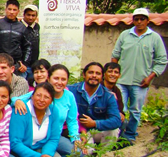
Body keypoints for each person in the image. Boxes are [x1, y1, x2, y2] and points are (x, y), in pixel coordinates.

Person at [111, 8, 167, 143]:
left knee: (135, 111)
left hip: (141, 82)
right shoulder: (125, 35)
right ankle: (117, 135)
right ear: (133, 20)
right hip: (122, 80)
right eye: (136, 19)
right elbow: (115, 56)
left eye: (142, 19)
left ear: (148, 21)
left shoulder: (154, 38)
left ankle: (130, 136)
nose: (139, 21)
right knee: (120, 109)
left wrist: (150, 77)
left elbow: (162, 60)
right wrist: (114, 74)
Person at [13, 65, 81, 157]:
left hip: (56, 134)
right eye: (56, 78)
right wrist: (17, 101)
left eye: (63, 79)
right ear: (48, 78)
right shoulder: (41, 92)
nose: (59, 82)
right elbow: (16, 99)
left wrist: (76, 138)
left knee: (79, 153)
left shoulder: (69, 96)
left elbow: (72, 121)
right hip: (37, 136)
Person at [9, 82, 64, 157]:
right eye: (38, 95)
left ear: (51, 101)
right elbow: (15, 142)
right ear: (32, 96)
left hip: (39, 147)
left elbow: (53, 138)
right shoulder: (21, 110)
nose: (41, 100)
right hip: (21, 150)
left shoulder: (54, 111)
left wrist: (46, 154)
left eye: (46, 97)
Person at [68, 62, 122, 145]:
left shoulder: (108, 95)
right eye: (91, 72)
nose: (94, 76)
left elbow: (116, 120)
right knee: (87, 153)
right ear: (84, 75)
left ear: (102, 77)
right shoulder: (71, 90)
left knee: (114, 131)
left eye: (98, 73)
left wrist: (94, 123)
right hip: (78, 130)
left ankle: (104, 154)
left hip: (97, 130)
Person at [0, 0, 31, 77]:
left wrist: (24, 63)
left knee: (16, 87)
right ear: (5, 10)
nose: (12, 12)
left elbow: (27, 47)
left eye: (14, 10)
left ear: (18, 11)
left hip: (16, 66)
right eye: (9, 9)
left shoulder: (22, 27)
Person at [102, 62, 127, 134]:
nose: (113, 74)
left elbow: (120, 110)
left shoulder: (117, 90)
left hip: (111, 119)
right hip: (98, 120)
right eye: (110, 71)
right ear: (104, 74)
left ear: (119, 75)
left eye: (116, 72)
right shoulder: (98, 87)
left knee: (123, 121)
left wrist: (120, 113)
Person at [21, 5, 40, 80]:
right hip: (22, 66)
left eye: (33, 15)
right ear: (24, 14)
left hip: (34, 65)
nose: (30, 17)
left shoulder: (37, 27)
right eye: (28, 15)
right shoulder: (19, 27)